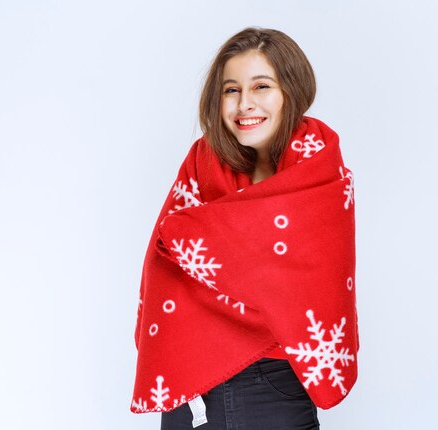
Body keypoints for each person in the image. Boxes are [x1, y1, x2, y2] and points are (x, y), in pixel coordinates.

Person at [131, 27, 359, 430]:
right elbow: (168, 251)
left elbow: (307, 279)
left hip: (273, 381)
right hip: (193, 380)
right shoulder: (203, 161)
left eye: (261, 86)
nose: (244, 103)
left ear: (291, 91)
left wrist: (213, 241)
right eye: (231, 90)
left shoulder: (320, 167)